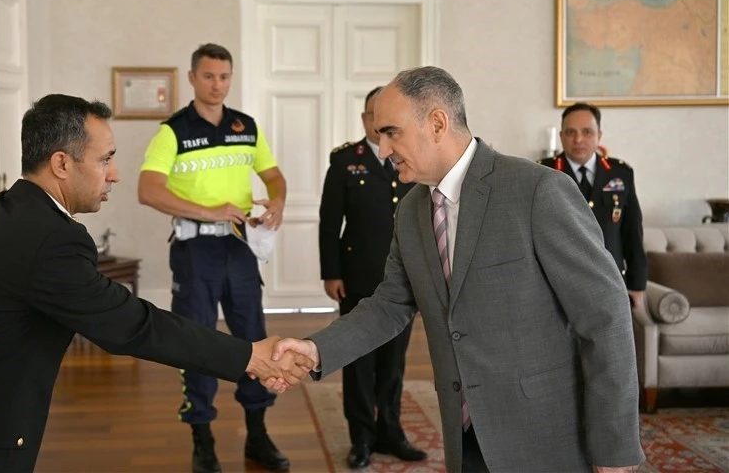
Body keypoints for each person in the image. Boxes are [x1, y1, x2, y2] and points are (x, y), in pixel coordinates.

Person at [0, 94, 313, 473]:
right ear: (62, 163)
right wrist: (248, 355)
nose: (115, 174)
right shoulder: (51, 239)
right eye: (105, 159)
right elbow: (133, 325)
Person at [273, 67, 644, 473]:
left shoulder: (538, 191)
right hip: (463, 434)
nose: (383, 149)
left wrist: (615, 447)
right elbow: (390, 304)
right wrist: (316, 350)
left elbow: (605, 316)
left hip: (545, 437)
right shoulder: (411, 211)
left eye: (392, 133)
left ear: (437, 123)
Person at [137, 43, 289, 473]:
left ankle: (257, 434)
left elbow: (273, 176)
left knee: (253, 338)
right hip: (195, 252)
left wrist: (278, 201)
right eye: (208, 76)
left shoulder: (246, 126)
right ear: (192, 78)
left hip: (239, 248)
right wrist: (209, 211)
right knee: (196, 342)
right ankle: (202, 441)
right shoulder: (173, 131)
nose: (217, 85)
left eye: (224, 77)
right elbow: (148, 191)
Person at [318, 86, 426, 469]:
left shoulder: (412, 158)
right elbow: (330, 222)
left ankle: (390, 432)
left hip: (403, 280)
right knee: (359, 362)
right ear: (365, 119)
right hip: (358, 278)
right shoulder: (346, 160)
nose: (379, 125)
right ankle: (362, 438)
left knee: (393, 364)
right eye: (372, 115)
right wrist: (331, 272)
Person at [538, 102, 648, 307]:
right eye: (570, 132)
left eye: (587, 132)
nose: (578, 139)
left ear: (599, 135)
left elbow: (632, 232)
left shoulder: (620, 173)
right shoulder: (542, 172)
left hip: (610, 281)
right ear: (561, 136)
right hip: (558, 284)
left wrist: (637, 283)